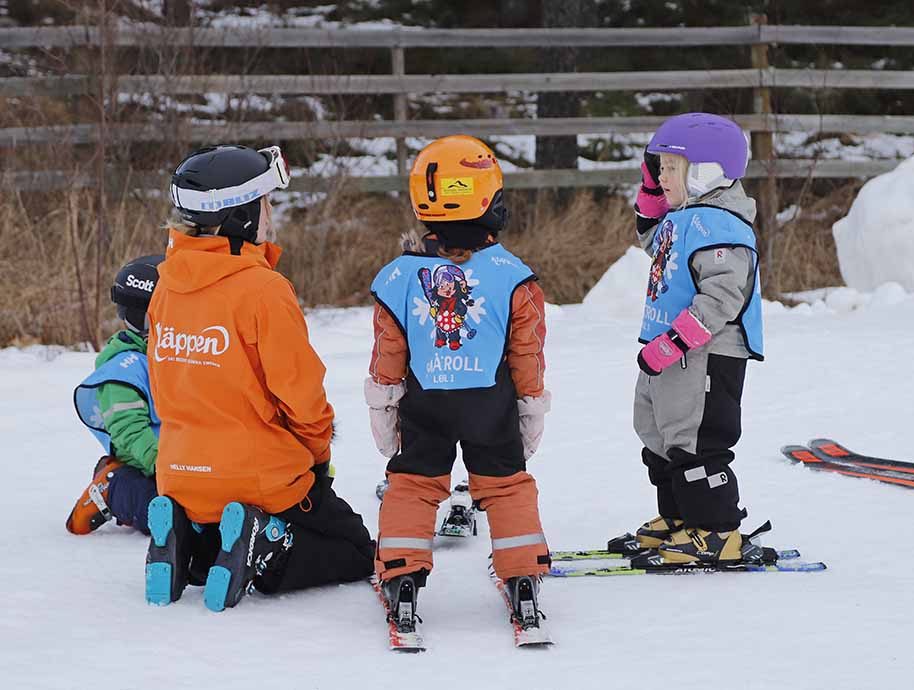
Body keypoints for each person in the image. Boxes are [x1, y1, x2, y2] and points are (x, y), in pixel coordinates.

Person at [145, 144, 374, 609]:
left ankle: (188, 544)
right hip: (256, 477)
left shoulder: (166, 284)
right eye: (267, 202)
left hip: (179, 473)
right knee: (355, 549)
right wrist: (315, 457)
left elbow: (163, 382)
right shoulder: (264, 290)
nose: (272, 213)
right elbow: (301, 392)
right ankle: (265, 546)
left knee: (221, 532)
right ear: (243, 217)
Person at [366, 135, 552, 632]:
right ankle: (523, 577)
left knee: (412, 483)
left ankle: (401, 575)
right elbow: (527, 353)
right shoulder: (514, 276)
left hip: (426, 403)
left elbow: (388, 355)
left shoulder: (398, 276)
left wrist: (383, 408)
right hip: (490, 404)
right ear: (490, 202)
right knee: (507, 484)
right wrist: (530, 408)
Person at [631, 112, 764, 565]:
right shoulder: (684, 216)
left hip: (705, 354)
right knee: (660, 435)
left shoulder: (722, 227)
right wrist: (651, 192)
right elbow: (652, 238)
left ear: (706, 172)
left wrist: (675, 343)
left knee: (697, 442)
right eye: (659, 167)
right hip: (668, 353)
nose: (661, 176)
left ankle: (716, 530)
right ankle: (680, 518)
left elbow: (724, 295)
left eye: (670, 168)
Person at [68, 255, 164, 537]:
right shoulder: (124, 370)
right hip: (149, 465)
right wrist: (164, 466)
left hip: (187, 460)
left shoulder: (178, 354)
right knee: (167, 515)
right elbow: (129, 431)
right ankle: (113, 487)